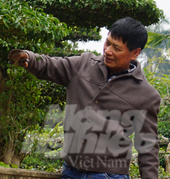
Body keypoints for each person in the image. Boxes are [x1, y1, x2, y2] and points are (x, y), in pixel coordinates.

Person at [9, 17, 161, 179]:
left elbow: (148, 148)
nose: (108, 51)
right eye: (107, 43)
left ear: (135, 53)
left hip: (110, 175)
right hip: (71, 171)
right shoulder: (82, 65)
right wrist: (29, 58)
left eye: (116, 48)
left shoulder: (147, 96)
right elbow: (49, 65)